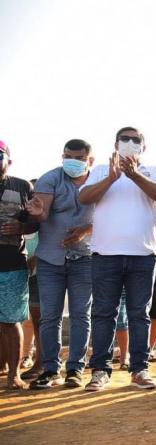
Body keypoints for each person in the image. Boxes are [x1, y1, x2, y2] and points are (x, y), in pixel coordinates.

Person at [80, 126, 156, 391]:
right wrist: (111, 178)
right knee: (104, 313)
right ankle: (100, 371)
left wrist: (134, 174)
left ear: (143, 146)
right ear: (116, 143)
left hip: (142, 255)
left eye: (135, 139)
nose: (130, 142)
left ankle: (139, 369)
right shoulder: (100, 170)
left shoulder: (152, 171)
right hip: (105, 254)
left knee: (139, 314)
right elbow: (84, 197)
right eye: (124, 138)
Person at [26, 139, 95, 389]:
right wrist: (36, 213)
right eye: (68, 156)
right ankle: (50, 369)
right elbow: (42, 212)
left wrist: (86, 230)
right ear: (62, 156)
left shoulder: (99, 181)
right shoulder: (49, 179)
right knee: (49, 316)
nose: (72, 161)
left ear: (90, 160)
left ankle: (75, 369)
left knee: (81, 315)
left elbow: (109, 216)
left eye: (79, 158)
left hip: (85, 257)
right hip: (50, 258)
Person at [0, 139, 38, 389]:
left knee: (10, 320)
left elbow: (37, 221)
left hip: (11, 263)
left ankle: (14, 375)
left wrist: (21, 227)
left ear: (8, 160)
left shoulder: (23, 186)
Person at [20, 178, 42, 380]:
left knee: (38, 318)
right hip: (16, 272)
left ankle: (40, 361)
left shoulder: (42, 220)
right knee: (20, 320)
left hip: (39, 274)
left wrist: (35, 259)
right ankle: (23, 356)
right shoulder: (18, 217)